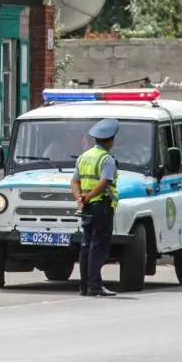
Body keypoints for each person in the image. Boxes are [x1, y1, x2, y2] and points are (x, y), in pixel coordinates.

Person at [71, 118, 120, 297]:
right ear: (110, 141)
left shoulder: (84, 156)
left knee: (86, 245)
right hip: (101, 206)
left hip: (87, 206)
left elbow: (75, 181)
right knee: (98, 247)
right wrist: (90, 195)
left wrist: (80, 198)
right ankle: (95, 286)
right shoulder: (107, 159)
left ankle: (84, 286)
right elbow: (104, 182)